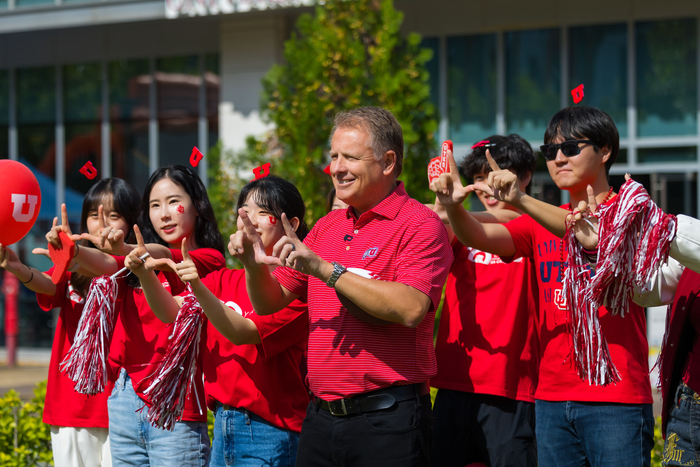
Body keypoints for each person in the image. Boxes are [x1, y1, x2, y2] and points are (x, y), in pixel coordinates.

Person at [431, 106, 654, 467]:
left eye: (570, 148)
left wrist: (519, 200)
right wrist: (455, 207)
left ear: (605, 151)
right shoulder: (537, 224)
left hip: (617, 399)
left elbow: (592, 236)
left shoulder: (633, 209)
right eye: (550, 152)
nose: (558, 159)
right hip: (551, 398)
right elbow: (479, 235)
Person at [230, 107, 453, 466]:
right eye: (334, 156)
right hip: (320, 418)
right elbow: (271, 302)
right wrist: (252, 264)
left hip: (388, 420)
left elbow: (412, 307)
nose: (337, 168)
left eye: (350, 157)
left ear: (388, 161)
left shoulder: (420, 223)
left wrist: (325, 269)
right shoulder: (326, 226)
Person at [126, 176, 311, 467]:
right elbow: (171, 313)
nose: (250, 220)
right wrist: (145, 274)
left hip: (270, 431)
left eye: (264, 212)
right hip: (224, 422)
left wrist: (199, 288)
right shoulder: (224, 279)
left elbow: (243, 332)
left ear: (293, 225)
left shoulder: (296, 289)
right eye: (244, 211)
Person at [69, 165, 225, 466]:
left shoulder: (208, 259)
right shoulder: (134, 263)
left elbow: (164, 255)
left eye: (173, 201)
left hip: (174, 403)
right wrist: (70, 251)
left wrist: (128, 249)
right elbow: (104, 263)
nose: (164, 214)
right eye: (154, 205)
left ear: (197, 206)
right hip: (126, 398)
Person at [0, 178, 140, 467]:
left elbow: (111, 265)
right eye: (93, 215)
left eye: (113, 216)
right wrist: (18, 268)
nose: (101, 225)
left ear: (132, 222)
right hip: (71, 405)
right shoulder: (73, 268)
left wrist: (76, 256)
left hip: (123, 406)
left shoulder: (138, 271)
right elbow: (50, 285)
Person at [429, 134, 539, 467]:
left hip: (513, 388)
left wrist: (452, 211)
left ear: (524, 178)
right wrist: (441, 204)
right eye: (477, 179)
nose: (486, 187)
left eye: (493, 176)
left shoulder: (535, 224)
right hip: (454, 380)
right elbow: (435, 233)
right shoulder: (460, 229)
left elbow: (509, 220)